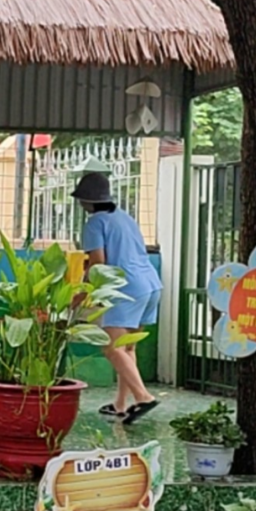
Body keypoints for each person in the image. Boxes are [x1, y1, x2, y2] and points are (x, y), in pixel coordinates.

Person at [73, 170, 163, 424]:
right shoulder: (125, 217)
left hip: (125, 287)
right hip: (150, 284)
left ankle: (143, 397)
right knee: (127, 347)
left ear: (88, 201)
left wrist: (81, 294)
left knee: (112, 348)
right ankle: (121, 404)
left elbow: (98, 264)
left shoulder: (94, 224)